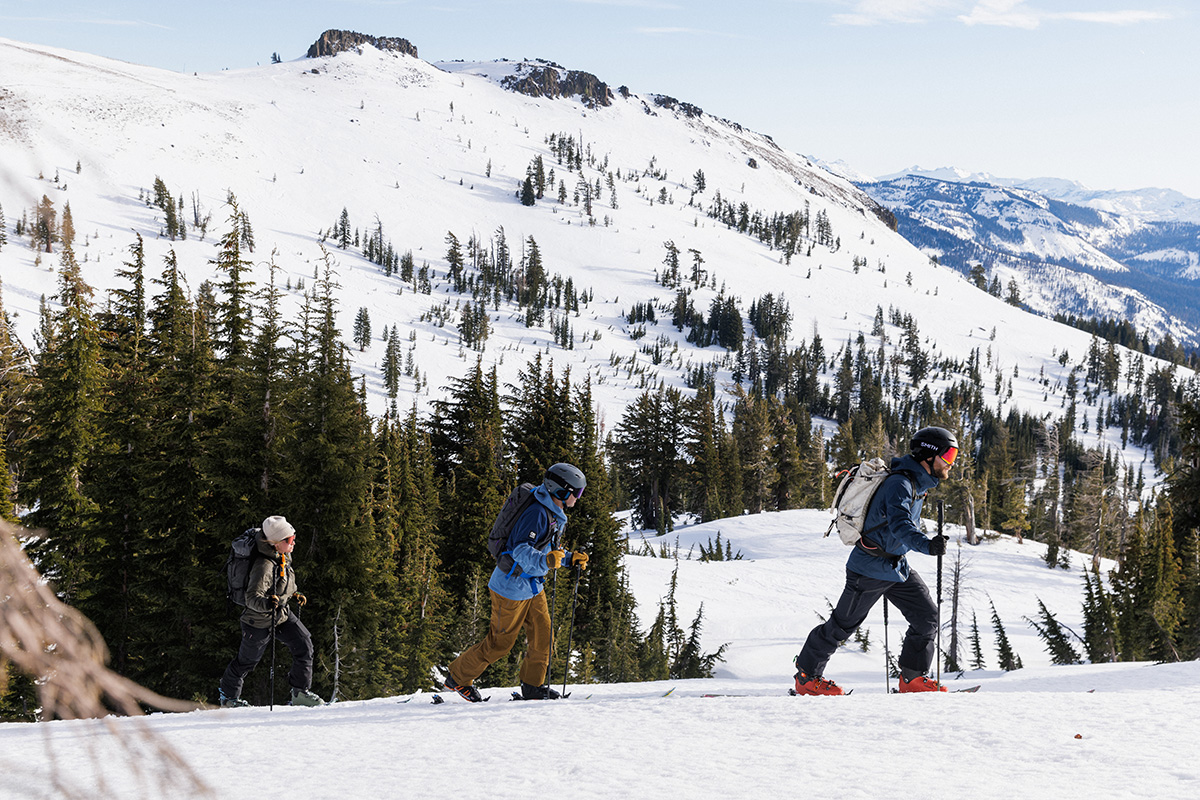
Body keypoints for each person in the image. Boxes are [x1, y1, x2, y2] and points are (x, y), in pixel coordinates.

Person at [794, 427, 958, 695]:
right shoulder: (901, 484)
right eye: (948, 455)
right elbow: (900, 526)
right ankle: (806, 677)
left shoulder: (916, 484)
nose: (951, 462)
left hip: (895, 567)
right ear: (929, 456)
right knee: (842, 626)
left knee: (926, 616)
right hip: (869, 567)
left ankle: (912, 679)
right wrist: (927, 545)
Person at [443, 463, 589, 702]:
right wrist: (547, 561)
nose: (578, 498)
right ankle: (457, 677)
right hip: (510, 587)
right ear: (562, 491)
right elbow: (520, 550)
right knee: (499, 644)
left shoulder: (552, 510)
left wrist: (569, 559)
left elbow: (547, 551)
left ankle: (533, 686)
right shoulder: (538, 512)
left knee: (544, 635)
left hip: (532, 585)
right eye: (577, 492)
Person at [218, 515, 325, 707]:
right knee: (246, 662)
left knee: (304, 644)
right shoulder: (264, 566)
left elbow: (284, 581)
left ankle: (300, 693)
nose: (294, 542)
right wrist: (268, 604)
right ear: (276, 543)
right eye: (290, 540)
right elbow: (252, 598)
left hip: (281, 615)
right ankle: (228, 698)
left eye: (293, 538)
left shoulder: (282, 555)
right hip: (257, 621)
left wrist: (294, 593)